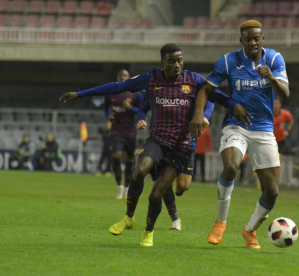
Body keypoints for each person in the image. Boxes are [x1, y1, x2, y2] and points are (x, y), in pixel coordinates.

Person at [59, 43, 240, 247]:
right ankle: (128, 217)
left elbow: (217, 97)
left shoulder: (194, 79)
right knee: (139, 171)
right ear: (162, 62)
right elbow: (118, 87)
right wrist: (81, 94)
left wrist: (235, 106)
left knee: (159, 193)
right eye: (171, 61)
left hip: (181, 146)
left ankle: (148, 231)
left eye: (179, 60)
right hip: (158, 139)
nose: (177, 64)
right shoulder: (152, 78)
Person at [190, 20, 290, 249]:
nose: (253, 42)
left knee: (272, 192)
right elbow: (205, 89)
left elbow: (286, 92)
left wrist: (271, 78)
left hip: (264, 129)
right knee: (231, 166)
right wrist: (198, 113)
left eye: (257, 38)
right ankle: (220, 222)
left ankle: (249, 231)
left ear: (263, 39)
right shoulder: (229, 60)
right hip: (236, 126)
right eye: (248, 38)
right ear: (241, 40)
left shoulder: (274, 59)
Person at [104, 69, 143, 199]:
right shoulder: (111, 92)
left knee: (129, 160)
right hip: (116, 130)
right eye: (120, 75)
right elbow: (105, 107)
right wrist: (108, 116)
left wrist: (130, 109)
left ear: (129, 78)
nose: (123, 77)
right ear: (117, 77)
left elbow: (142, 110)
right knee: (116, 155)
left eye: (125, 76)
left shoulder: (135, 94)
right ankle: (119, 187)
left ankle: (126, 188)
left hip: (130, 131)